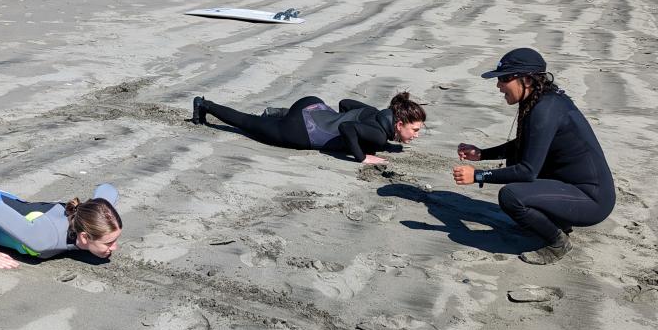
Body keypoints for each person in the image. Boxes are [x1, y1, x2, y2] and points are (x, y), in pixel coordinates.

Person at [452, 48, 615, 264]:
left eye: (504, 78)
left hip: (593, 200)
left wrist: (478, 176)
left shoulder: (545, 109)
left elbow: (527, 172)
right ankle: (558, 220)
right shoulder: (542, 100)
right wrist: (481, 154)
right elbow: (525, 145)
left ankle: (558, 243)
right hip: (575, 188)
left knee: (510, 196)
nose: (499, 85)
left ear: (527, 79)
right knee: (516, 161)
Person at [192, 92, 425, 165]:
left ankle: (281, 113)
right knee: (248, 123)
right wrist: (362, 157)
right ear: (398, 124)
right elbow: (347, 128)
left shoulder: (376, 112)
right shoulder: (377, 134)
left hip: (312, 105)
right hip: (302, 130)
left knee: (267, 121)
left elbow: (345, 104)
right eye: (414, 130)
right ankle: (204, 105)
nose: (416, 135)